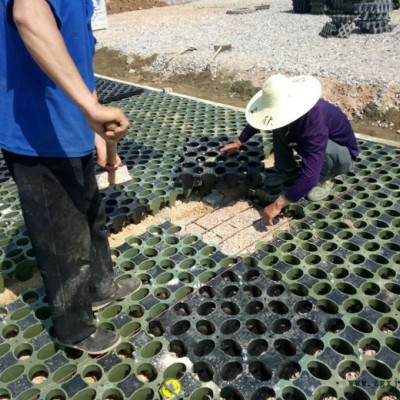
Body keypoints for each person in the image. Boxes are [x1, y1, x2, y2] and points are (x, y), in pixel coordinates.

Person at [0, 0, 142, 354]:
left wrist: (94, 130)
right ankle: (73, 327)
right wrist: (91, 108)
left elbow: (78, 60)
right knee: (62, 238)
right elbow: (28, 14)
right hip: (36, 133)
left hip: (71, 126)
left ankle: (100, 287)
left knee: (90, 217)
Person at [220, 74, 359, 226]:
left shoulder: (314, 122)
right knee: (278, 125)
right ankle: (287, 170)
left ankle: (325, 179)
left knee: (321, 155)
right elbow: (264, 116)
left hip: (342, 155)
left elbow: (309, 176)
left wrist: (278, 205)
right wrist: (239, 141)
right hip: (310, 142)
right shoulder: (289, 110)